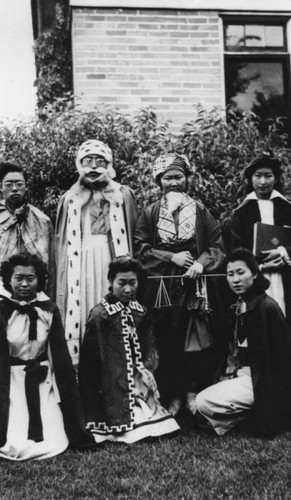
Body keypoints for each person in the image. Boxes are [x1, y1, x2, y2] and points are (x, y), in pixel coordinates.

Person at [134, 153, 225, 416]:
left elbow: (216, 246)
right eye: (167, 177)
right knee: (166, 339)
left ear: (187, 179)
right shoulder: (150, 212)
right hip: (162, 289)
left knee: (197, 339)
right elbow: (140, 250)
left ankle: (193, 393)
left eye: (178, 176)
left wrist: (201, 263)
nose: (173, 182)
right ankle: (171, 395)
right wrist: (170, 256)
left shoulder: (201, 210)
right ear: (159, 181)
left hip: (195, 287)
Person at [0, 253, 95, 460]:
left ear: (39, 280)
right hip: (10, 381)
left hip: (42, 379)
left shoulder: (48, 310)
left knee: (54, 439)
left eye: (30, 279)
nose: (24, 284)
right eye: (19, 278)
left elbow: (59, 356)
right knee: (13, 440)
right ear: (8, 279)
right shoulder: (3, 310)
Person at [55, 139, 138, 368]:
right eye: (88, 161)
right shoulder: (69, 198)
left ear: (109, 165)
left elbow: (132, 234)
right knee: (81, 307)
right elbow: (61, 243)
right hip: (79, 262)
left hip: (111, 260)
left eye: (99, 161)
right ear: (79, 165)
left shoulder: (122, 194)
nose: (93, 167)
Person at [78, 257, 179, 443]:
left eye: (132, 283)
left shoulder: (140, 311)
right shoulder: (100, 315)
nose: (127, 289)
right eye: (121, 283)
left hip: (137, 378)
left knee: (157, 423)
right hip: (110, 382)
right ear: (110, 282)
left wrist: (144, 369)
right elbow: (91, 362)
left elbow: (149, 348)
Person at [196, 248, 291, 437]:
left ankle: (253, 413)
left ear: (255, 273)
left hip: (264, 377)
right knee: (202, 404)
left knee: (203, 401)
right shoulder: (241, 303)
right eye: (230, 274)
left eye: (241, 273)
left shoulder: (267, 307)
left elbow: (282, 358)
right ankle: (247, 412)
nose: (235, 280)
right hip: (243, 373)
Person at [229, 152, 291, 325]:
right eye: (258, 176)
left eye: (268, 176)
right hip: (255, 278)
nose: (262, 182)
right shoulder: (240, 214)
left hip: (285, 274)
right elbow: (236, 250)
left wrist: (282, 251)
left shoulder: (287, 208)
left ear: (276, 179)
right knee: (258, 325)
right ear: (251, 179)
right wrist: (261, 266)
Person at [0, 162, 55, 299]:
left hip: (34, 290)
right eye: (9, 184)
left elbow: (52, 264)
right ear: (1, 188)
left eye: (19, 184)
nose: (14, 189)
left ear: (26, 187)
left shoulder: (42, 221)